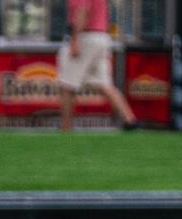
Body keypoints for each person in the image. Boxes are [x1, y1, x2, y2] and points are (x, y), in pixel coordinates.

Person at [57, 0, 137, 132]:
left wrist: (75, 40)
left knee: (67, 86)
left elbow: (82, 11)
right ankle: (130, 120)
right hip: (101, 36)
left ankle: (66, 129)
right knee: (104, 84)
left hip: (85, 37)